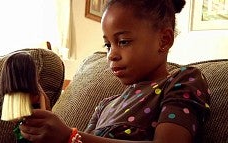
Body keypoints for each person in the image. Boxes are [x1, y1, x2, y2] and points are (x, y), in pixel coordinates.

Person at [19, 0, 210, 143]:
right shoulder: (105, 105)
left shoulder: (183, 80)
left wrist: (70, 136)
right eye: (107, 45)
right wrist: (41, 114)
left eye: (123, 41)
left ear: (164, 40)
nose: (111, 55)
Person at [0, 52, 51, 143]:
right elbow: (14, 120)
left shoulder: (38, 95)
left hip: (38, 135)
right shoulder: (11, 98)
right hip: (24, 134)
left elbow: (45, 115)